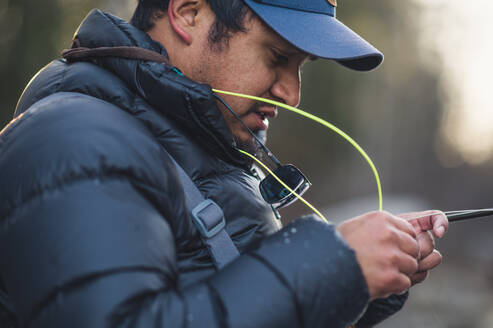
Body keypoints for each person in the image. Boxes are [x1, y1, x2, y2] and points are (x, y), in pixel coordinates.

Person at [0, 0, 448, 327]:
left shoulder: (201, 154)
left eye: (301, 66)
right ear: (189, 13)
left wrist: (360, 283)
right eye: (277, 57)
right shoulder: (75, 142)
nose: (291, 94)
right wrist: (330, 264)